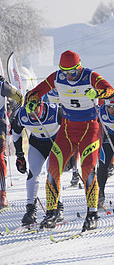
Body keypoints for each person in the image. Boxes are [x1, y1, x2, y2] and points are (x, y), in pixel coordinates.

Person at [24, 50, 114, 231]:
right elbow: (35, 92)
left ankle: (92, 213)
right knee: (53, 168)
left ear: (79, 67)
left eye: (72, 72)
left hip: (90, 129)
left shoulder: (90, 76)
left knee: (87, 168)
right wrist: (31, 101)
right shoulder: (57, 77)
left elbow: (111, 92)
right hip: (66, 130)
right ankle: (52, 213)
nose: (69, 76)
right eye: (65, 72)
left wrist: (97, 93)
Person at [12, 94, 64, 225]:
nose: (32, 113)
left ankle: (58, 206)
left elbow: (69, 129)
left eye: (35, 109)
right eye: (29, 110)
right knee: (33, 173)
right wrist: (20, 155)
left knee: (51, 172)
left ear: (41, 105)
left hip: (55, 143)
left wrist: (70, 154)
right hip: (37, 144)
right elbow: (16, 133)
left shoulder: (55, 111)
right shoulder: (22, 114)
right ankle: (30, 210)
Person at [0, 76, 23, 209]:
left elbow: (19, 97)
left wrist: (15, 115)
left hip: (0, 123)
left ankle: (2, 194)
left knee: (0, 156)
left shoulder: (2, 86)